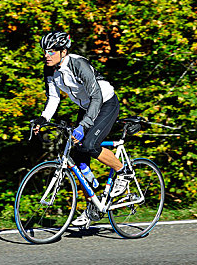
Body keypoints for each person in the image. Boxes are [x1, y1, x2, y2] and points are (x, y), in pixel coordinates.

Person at [32, 31, 133, 227]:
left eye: (52, 51)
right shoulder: (49, 70)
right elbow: (54, 98)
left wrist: (83, 126)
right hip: (87, 107)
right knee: (78, 157)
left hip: (105, 103)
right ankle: (93, 206)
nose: (47, 55)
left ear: (64, 51)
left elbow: (96, 97)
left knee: (89, 144)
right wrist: (43, 118)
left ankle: (124, 171)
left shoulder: (78, 64)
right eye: (45, 51)